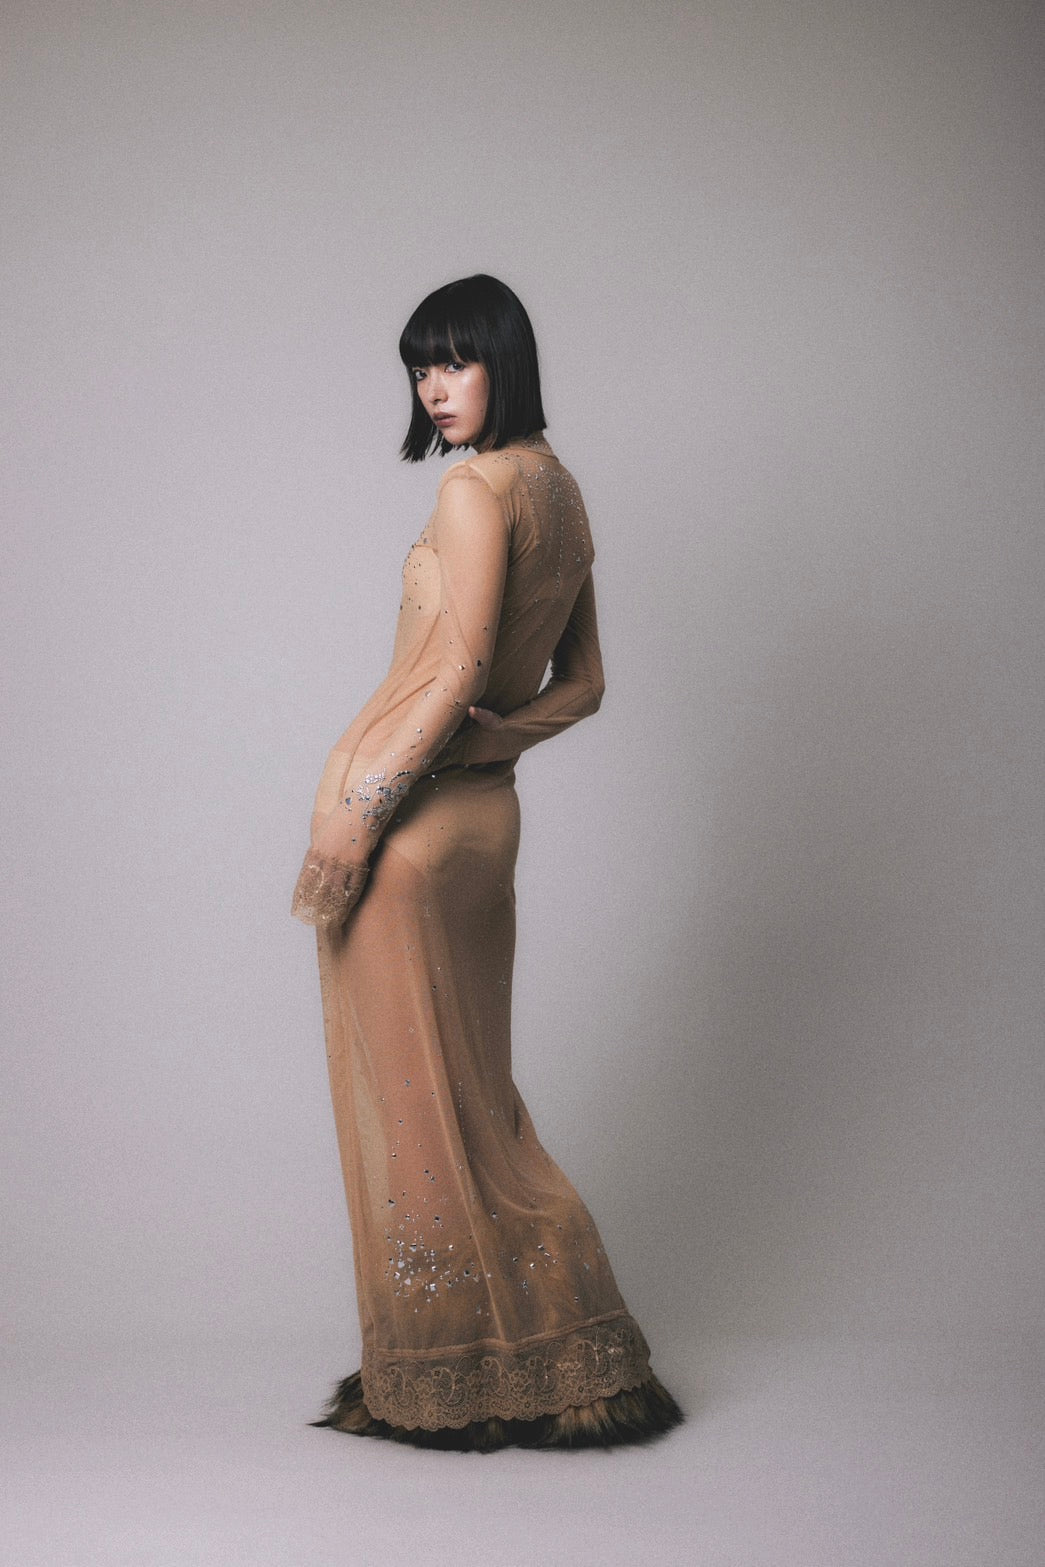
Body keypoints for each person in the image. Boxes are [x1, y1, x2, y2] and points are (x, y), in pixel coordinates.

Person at [291, 274, 682, 1451]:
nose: (434, 387)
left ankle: (445, 1373)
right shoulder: (559, 490)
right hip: (484, 823)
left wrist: (354, 818)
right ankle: (570, 1367)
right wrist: (499, 743)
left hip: (414, 831)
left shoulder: (473, 490)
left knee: (419, 1114)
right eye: (420, 367)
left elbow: (456, 671)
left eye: (454, 361)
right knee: (478, 1103)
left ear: (504, 359)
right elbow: (585, 684)